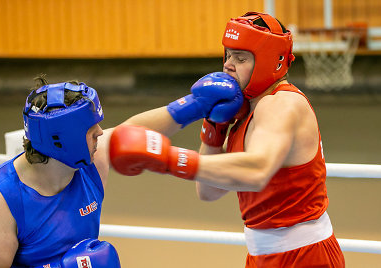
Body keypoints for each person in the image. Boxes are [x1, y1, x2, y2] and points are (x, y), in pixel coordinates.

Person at [108, 12, 345, 267]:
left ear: (271, 61)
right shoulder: (244, 111)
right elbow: (208, 191)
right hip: (262, 254)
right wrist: (213, 130)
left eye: (240, 58)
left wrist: (169, 159)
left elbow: (257, 171)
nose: (228, 65)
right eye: (228, 55)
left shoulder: (281, 104)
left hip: (304, 255)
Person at [0, 72, 244, 267]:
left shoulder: (87, 164)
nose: (100, 133)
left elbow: (132, 132)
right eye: (91, 129)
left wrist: (196, 105)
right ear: (61, 140)